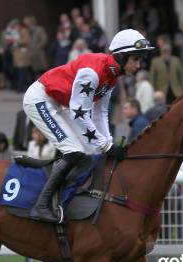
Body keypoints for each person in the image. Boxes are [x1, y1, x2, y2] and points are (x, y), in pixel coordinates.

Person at [22, 29, 152, 222]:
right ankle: (41, 205)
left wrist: (108, 143)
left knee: (89, 150)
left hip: (60, 102)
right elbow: (79, 112)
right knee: (74, 150)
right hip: (40, 99)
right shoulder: (92, 73)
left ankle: (66, 195)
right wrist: (107, 146)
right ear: (121, 56)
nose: (139, 65)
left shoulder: (112, 75)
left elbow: (100, 113)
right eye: (136, 59)